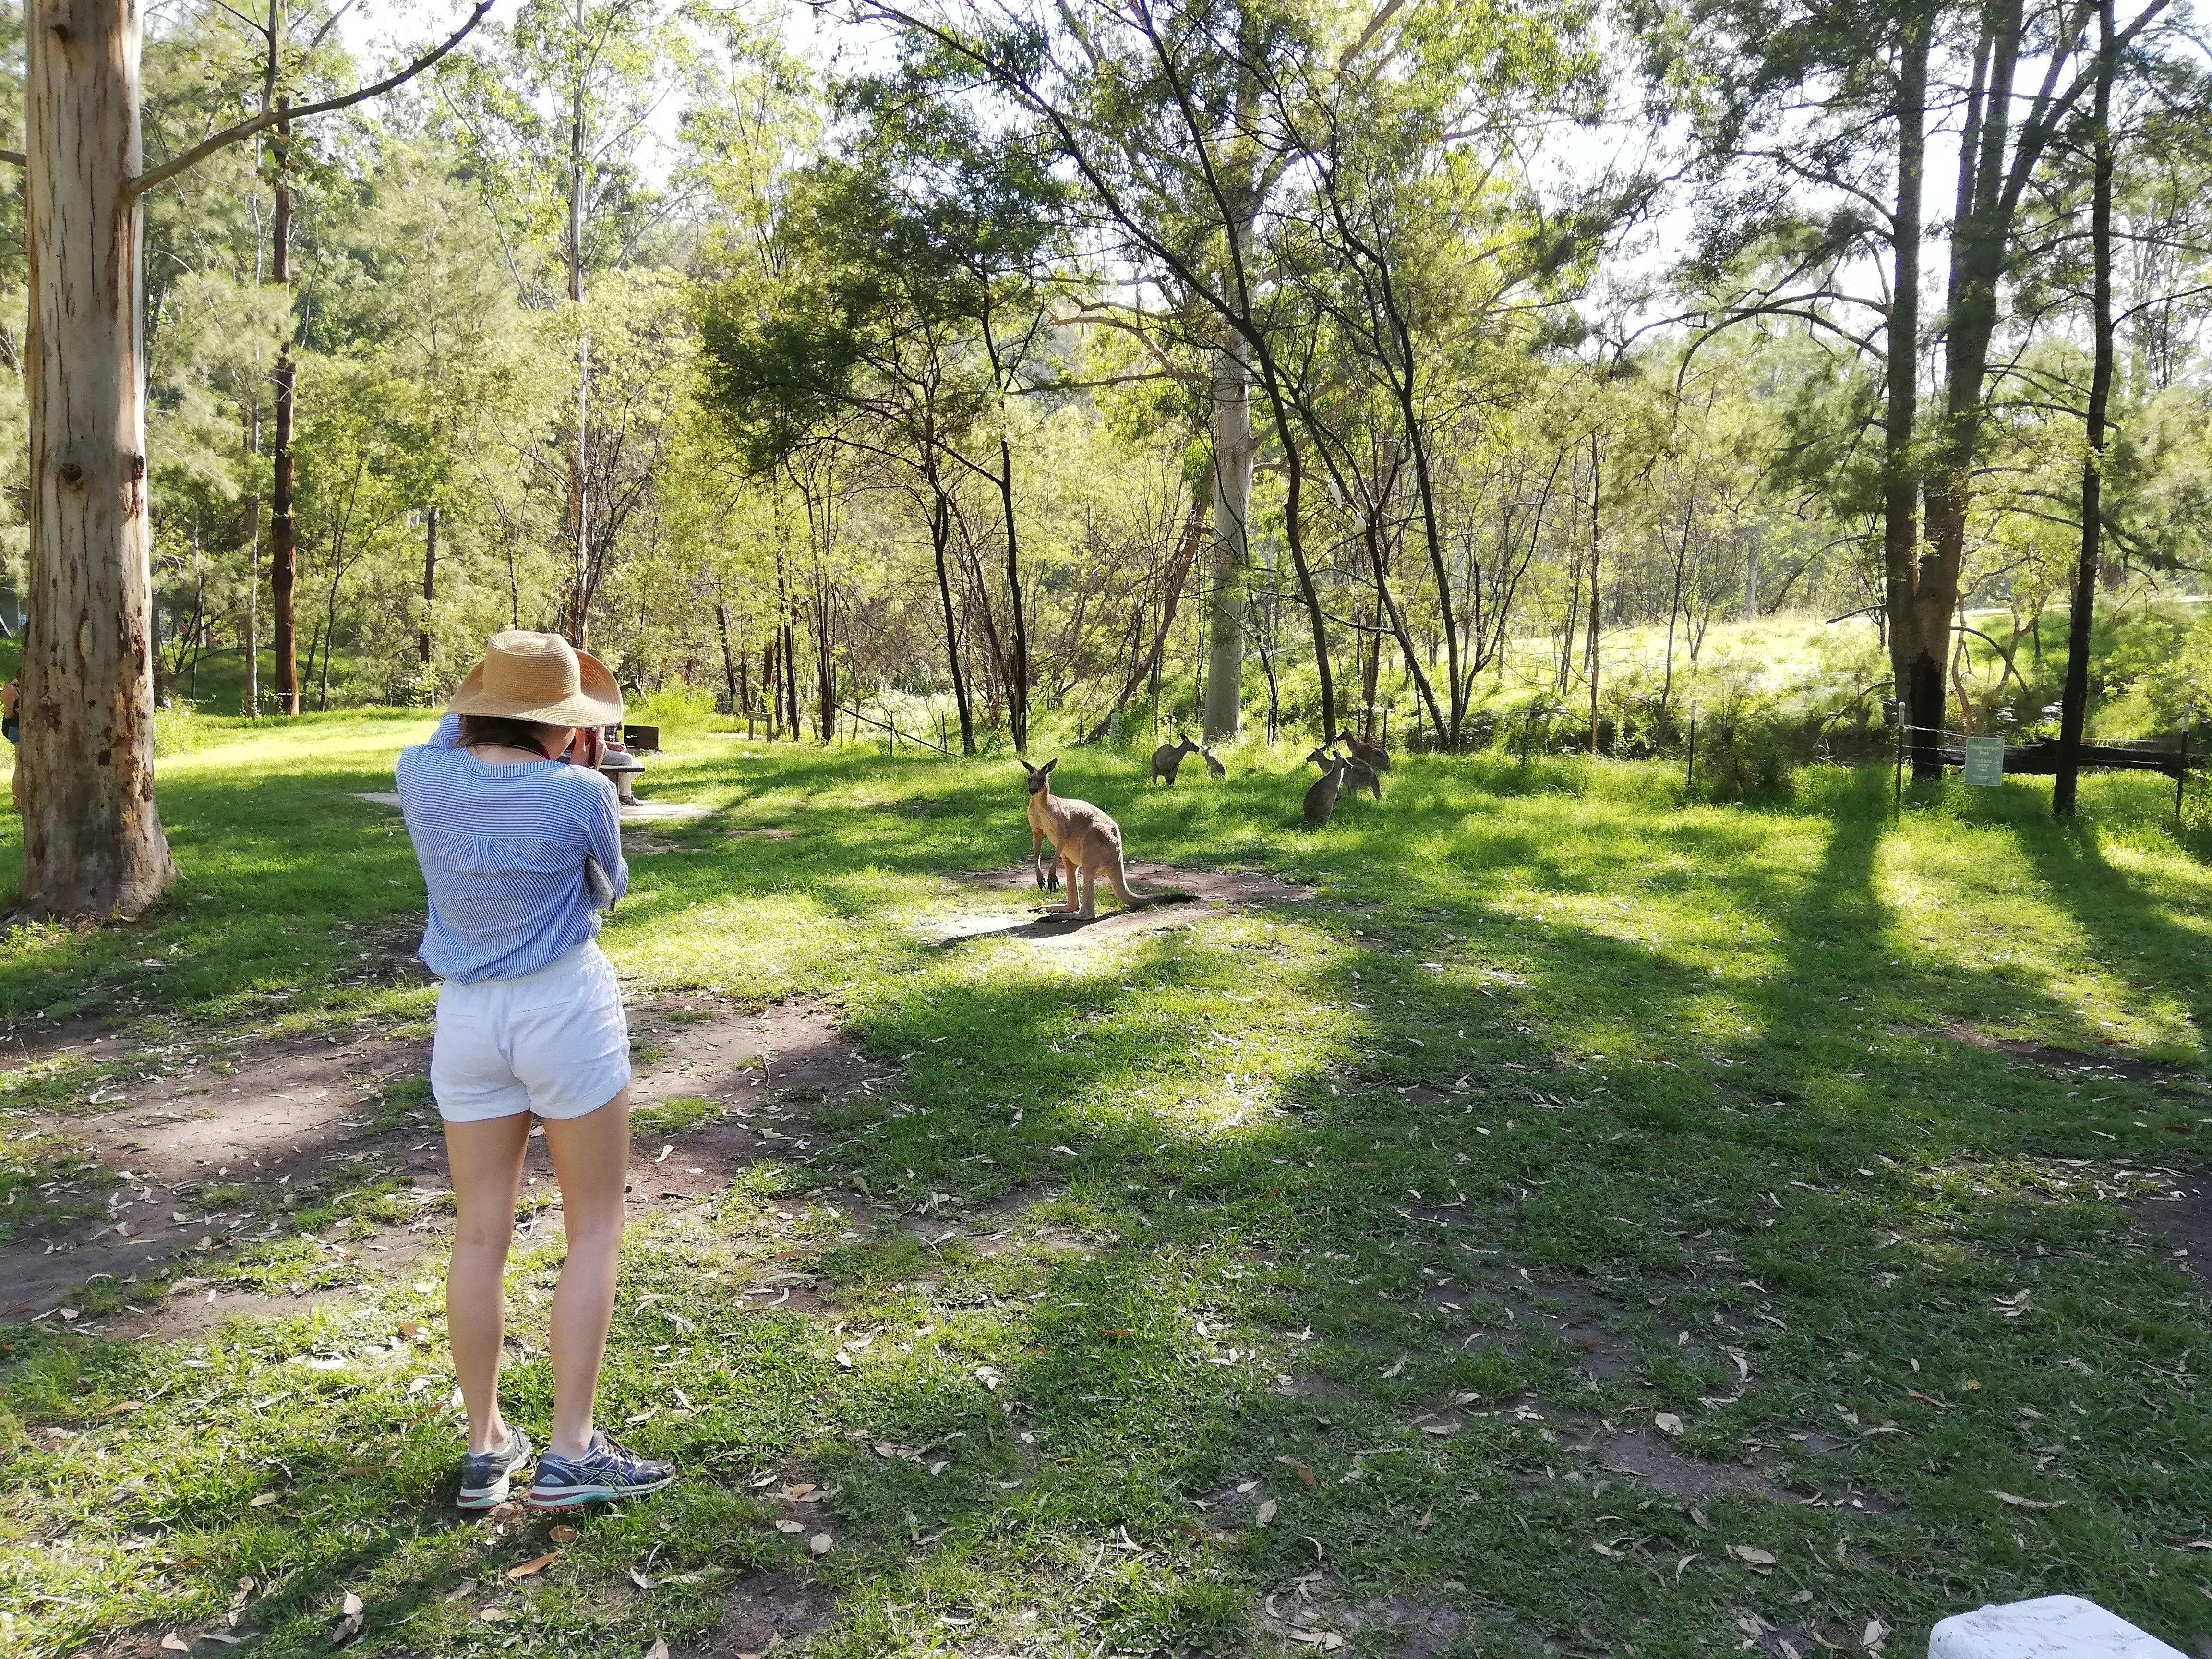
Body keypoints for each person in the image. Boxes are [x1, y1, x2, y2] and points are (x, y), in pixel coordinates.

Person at [396, 630, 673, 1512]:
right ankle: (571, 1449)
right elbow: (609, 889)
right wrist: (576, 755)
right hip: (563, 1008)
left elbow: (447, 735)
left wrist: (496, 707)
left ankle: (485, 1450)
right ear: (562, 723)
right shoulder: (584, 791)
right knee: (594, 1228)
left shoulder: (419, 773)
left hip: (467, 1020)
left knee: (479, 1234)